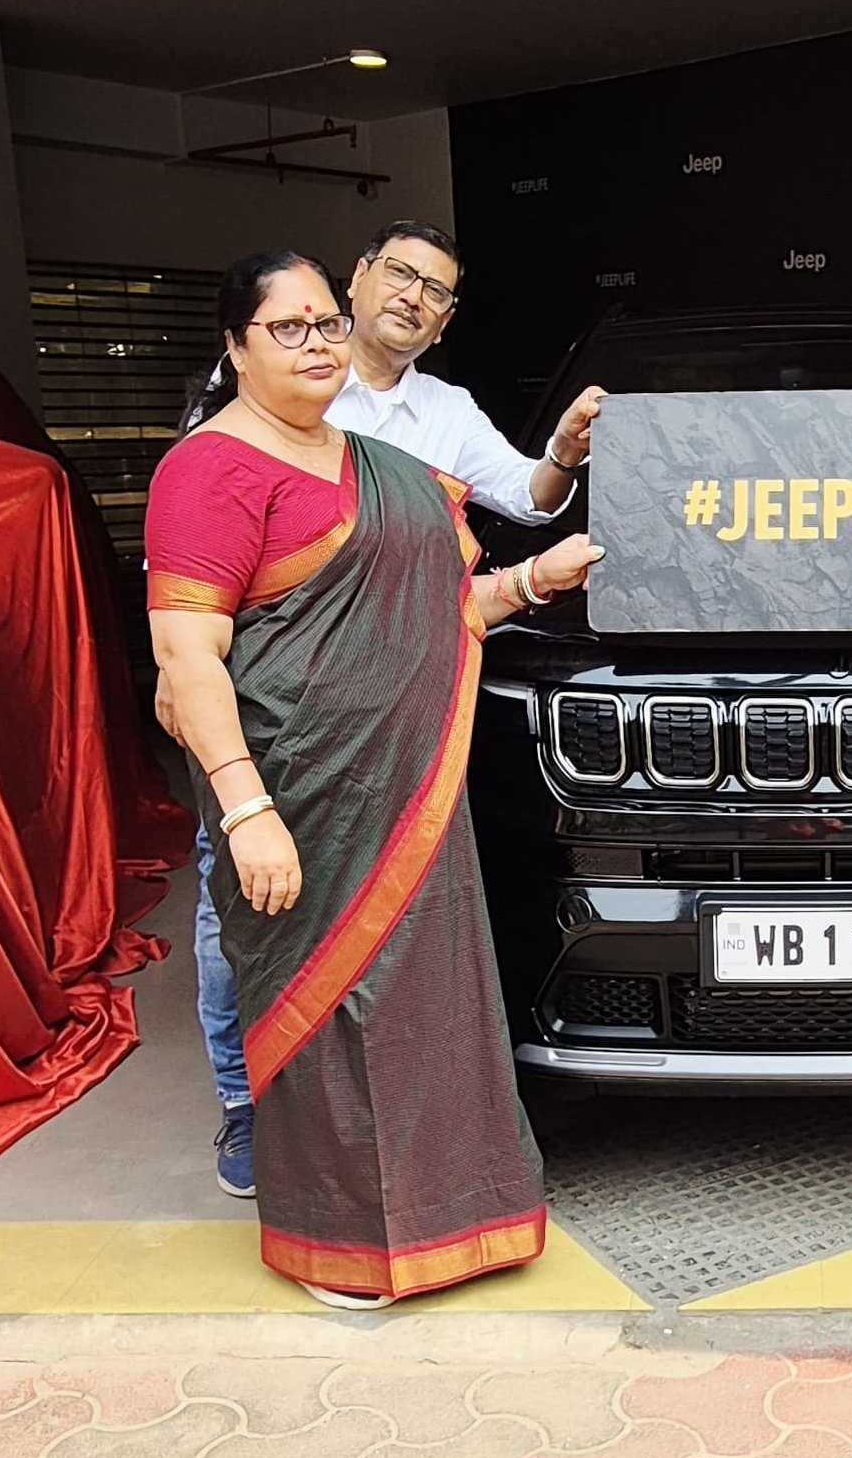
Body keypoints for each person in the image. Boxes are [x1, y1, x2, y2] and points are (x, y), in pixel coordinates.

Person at [146, 250, 602, 1308]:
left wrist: (534, 579)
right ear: (236, 345)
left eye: (324, 326)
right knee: (334, 1016)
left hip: (408, 799)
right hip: (296, 799)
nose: (316, 344)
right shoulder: (209, 470)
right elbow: (186, 654)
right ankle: (344, 1246)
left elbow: (446, 610)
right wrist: (247, 807)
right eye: (288, 327)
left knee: (424, 1006)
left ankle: (458, 1223)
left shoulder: (379, 465)